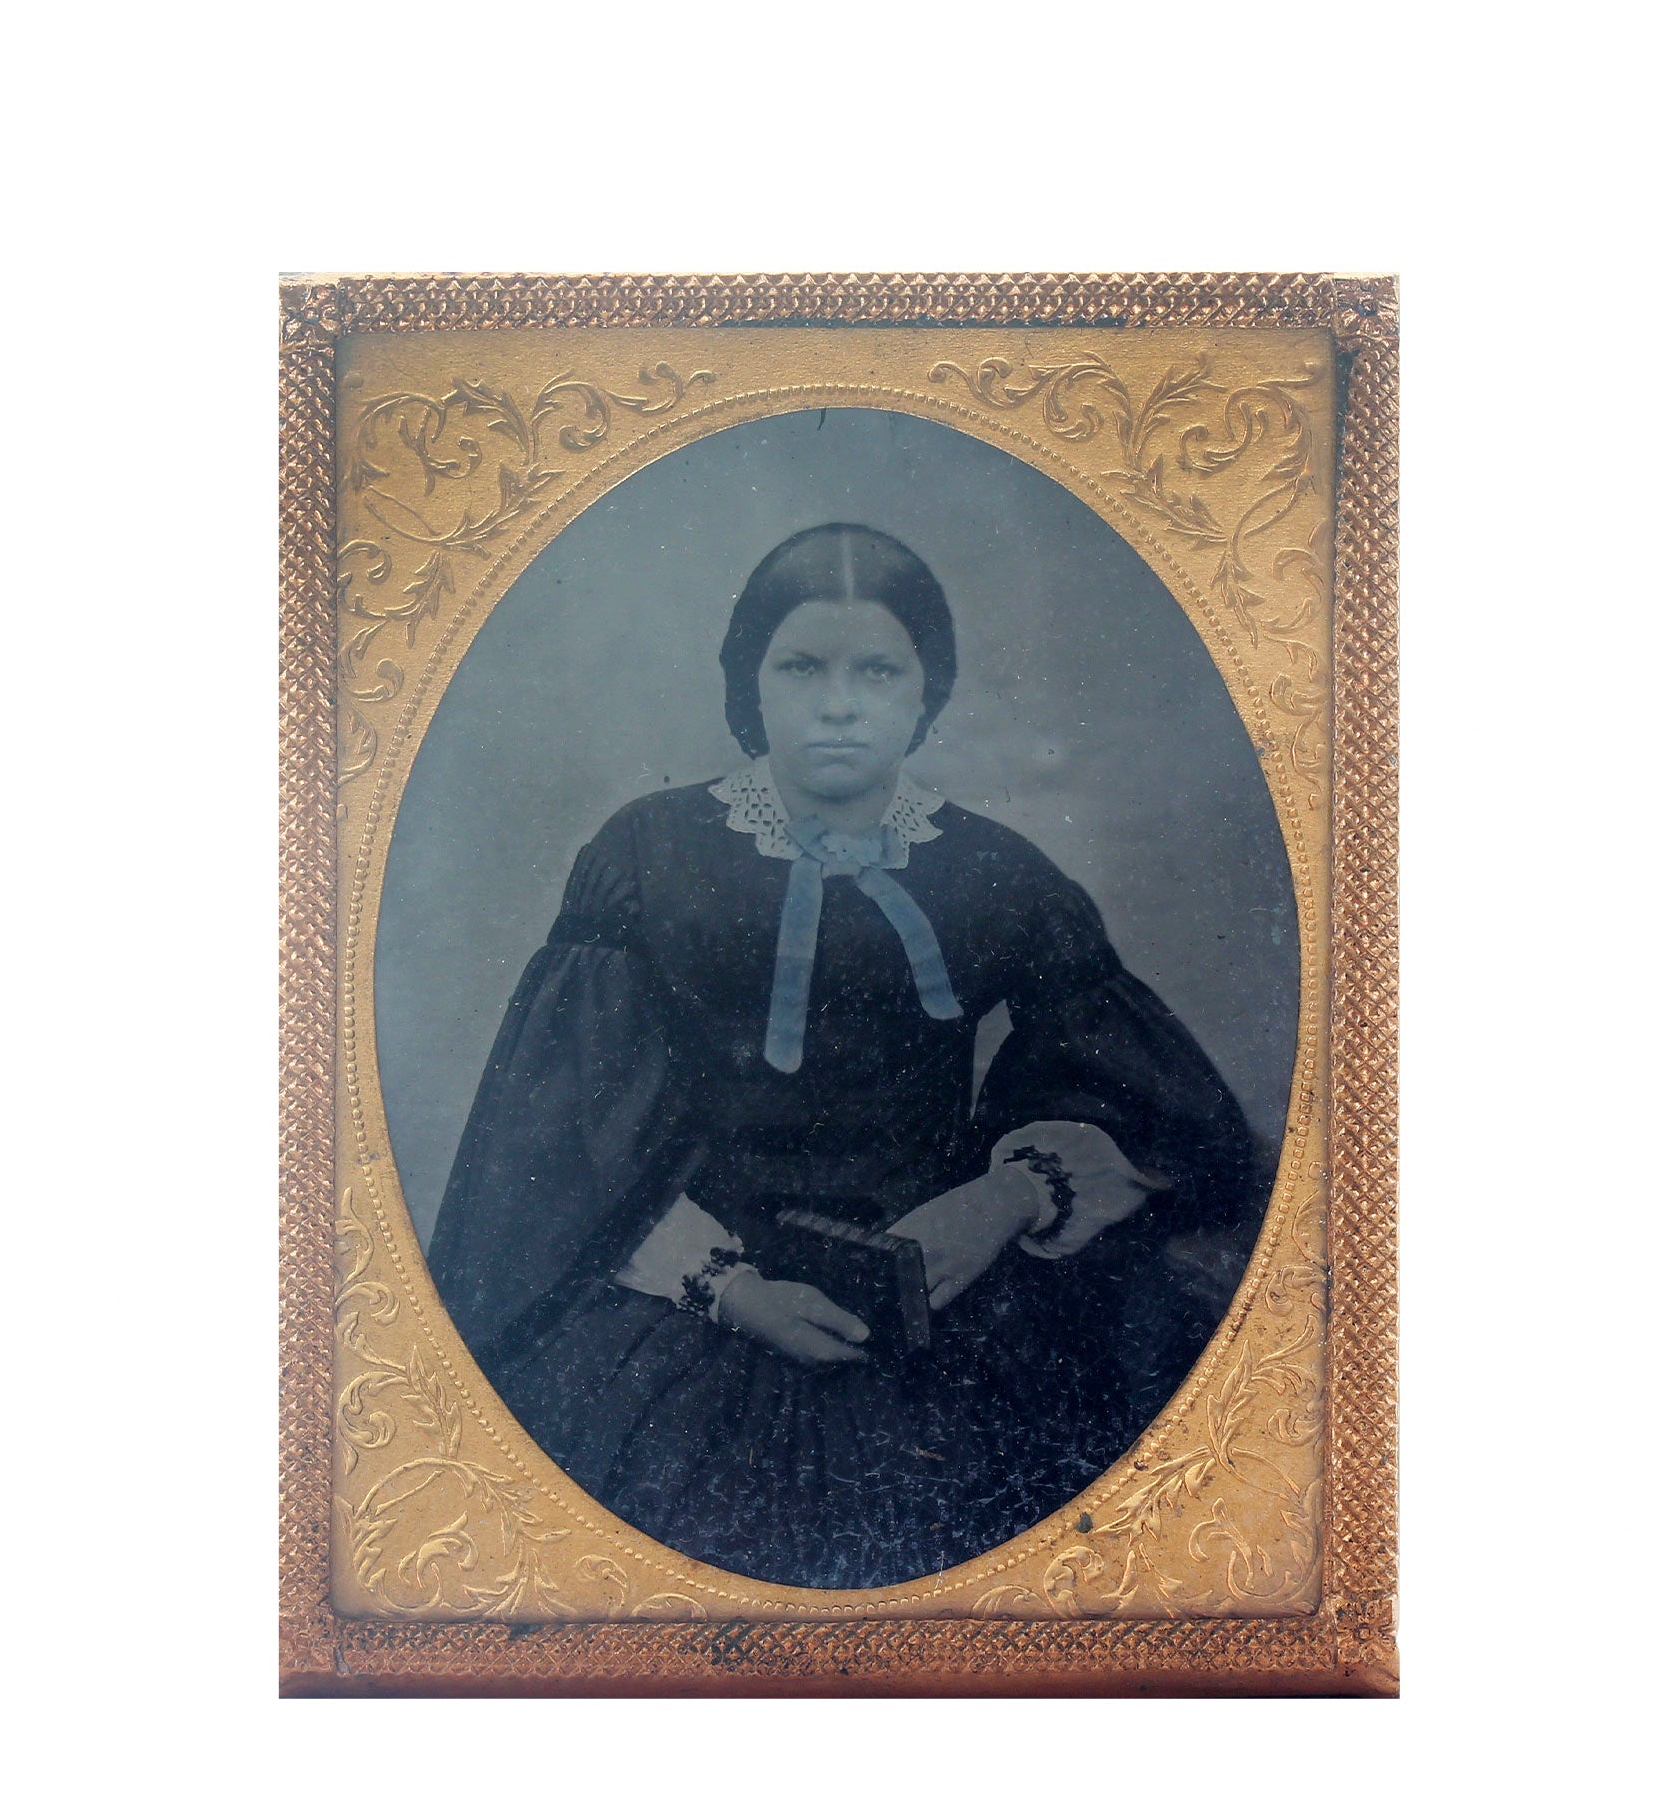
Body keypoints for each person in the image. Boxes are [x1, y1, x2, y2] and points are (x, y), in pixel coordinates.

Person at [428, 523, 1265, 1589]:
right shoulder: (646, 854)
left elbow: (1148, 1093)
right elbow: (563, 1135)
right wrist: (727, 1288)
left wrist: (1002, 1200)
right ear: (750, 686)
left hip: (943, 1299)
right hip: (687, 1305)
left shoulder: (996, 870)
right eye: (801, 666)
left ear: (927, 690)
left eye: (876, 669)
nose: (838, 702)